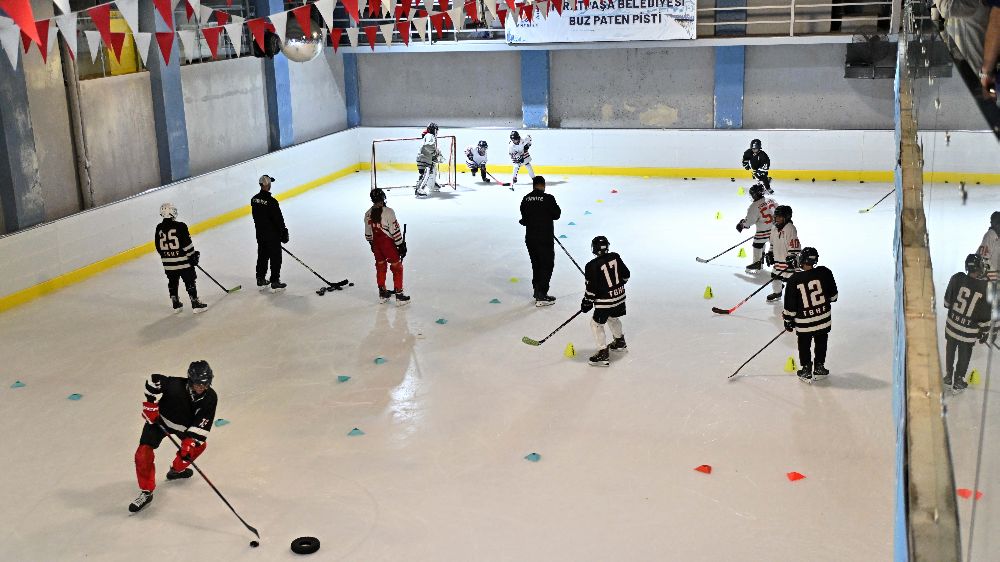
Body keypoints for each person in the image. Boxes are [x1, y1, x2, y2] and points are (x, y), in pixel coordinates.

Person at [129, 360, 218, 513]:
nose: (202, 387)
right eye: (198, 384)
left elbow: (202, 423)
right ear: (190, 381)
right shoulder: (175, 384)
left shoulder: (210, 398)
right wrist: (150, 404)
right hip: (159, 422)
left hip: (185, 428)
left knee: (198, 447)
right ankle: (146, 491)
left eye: (205, 384)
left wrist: (189, 442)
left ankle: (176, 470)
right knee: (142, 454)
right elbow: (153, 380)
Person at [782, 247, 838, 383]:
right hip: (823, 319)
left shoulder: (794, 279)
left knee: (804, 343)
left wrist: (788, 320)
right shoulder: (825, 272)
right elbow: (834, 297)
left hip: (804, 322)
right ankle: (819, 367)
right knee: (821, 341)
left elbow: (790, 306)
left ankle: (806, 369)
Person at [942, 254, 994, 393]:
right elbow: (985, 315)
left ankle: (948, 377)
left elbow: (947, 303)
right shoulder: (985, 288)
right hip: (968, 332)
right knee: (964, 355)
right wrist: (984, 331)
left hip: (952, 326)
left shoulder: (956, 278)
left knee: (950, 351)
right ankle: (958, 381)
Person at [581, 236, 630, 367]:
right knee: (613, 317)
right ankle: (619, 342)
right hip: (619, 297)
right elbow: (626, 275)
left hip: (605, 302)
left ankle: (603, 353)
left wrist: (587, 302)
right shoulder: (615, 256)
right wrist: (616, 286)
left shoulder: (591, 266)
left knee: (596, 324)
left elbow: (591, 290)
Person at [154, 203, 207, 314]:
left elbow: (158, 247)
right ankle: (195, 303)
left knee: (172, 282)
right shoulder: (181, 226)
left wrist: (168, 256)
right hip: (183, 262)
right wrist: (193, 256)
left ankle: (176, 303)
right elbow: (187, 244)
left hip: (168, 263)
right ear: (171, 212)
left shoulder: (159, 227)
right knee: (190, 281)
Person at [519, 176, 560, 306]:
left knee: (536, 265)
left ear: (533, 185)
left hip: (530, 238)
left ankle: (537, 292)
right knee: (546, 265)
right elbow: (557, 214)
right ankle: (542, 295)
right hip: (545, 238)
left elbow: (524, 220)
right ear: (543, 185)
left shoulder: (526, 199)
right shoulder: (548, 198)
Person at [365, 188, 410, 305]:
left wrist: (372, 244)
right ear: (383, 198)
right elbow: (395, 231)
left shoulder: (367, 214)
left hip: (376, 244)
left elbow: (368, 234)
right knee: (397, 267)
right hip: (387, 244)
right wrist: (401, 245)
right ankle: (399, 295)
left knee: (380, 266)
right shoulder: (389, 212)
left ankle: (382, 293)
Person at [251, 174, 288, 292]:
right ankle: (275, 281)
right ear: (267, 184)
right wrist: (284, 233)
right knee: (276, 258)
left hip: (260, 235)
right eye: (270, 183)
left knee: (262, 256)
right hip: (272, 236)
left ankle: (260, 278)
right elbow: (278, 220)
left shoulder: (254, 200)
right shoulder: (272, 202)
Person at [736, 184, 777, 273]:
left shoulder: (753, 207)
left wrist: (741, 225)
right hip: (776, 229)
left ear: (755, 195)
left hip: (764, 231)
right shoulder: (771, 200)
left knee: (757, 244)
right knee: (770, 244)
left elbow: (748, 223)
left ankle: (757, 263)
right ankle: (763, 261)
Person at [765, 205, 801, 302]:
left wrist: (792, 256)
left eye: (780, 217)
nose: (777, 219)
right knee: (775, 276)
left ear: (787, 217)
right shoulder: (774, 228)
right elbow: (772, 243)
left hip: (788, 260)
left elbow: (794, 244)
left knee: (792, 280)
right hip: (778, 259)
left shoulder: (790, 228)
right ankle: (777, 292)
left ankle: (796, 296)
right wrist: (770, 253)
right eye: (776, 216)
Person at [415, 122, 444, 197]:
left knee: (430, 171)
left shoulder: (428, 135)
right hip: (424, 158)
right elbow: (428, 146)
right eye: (436, 130)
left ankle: (432, 184)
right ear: (434, 130)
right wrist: (435, 153)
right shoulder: (430, 136)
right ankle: (419, 189)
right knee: (425, 173)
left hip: (425, 157)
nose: (437, 132)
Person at [977, 211, 1000, 281]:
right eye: (992, 223)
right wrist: (995, 278)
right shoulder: (990, 235)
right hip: (987, 279)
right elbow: (983, 260)